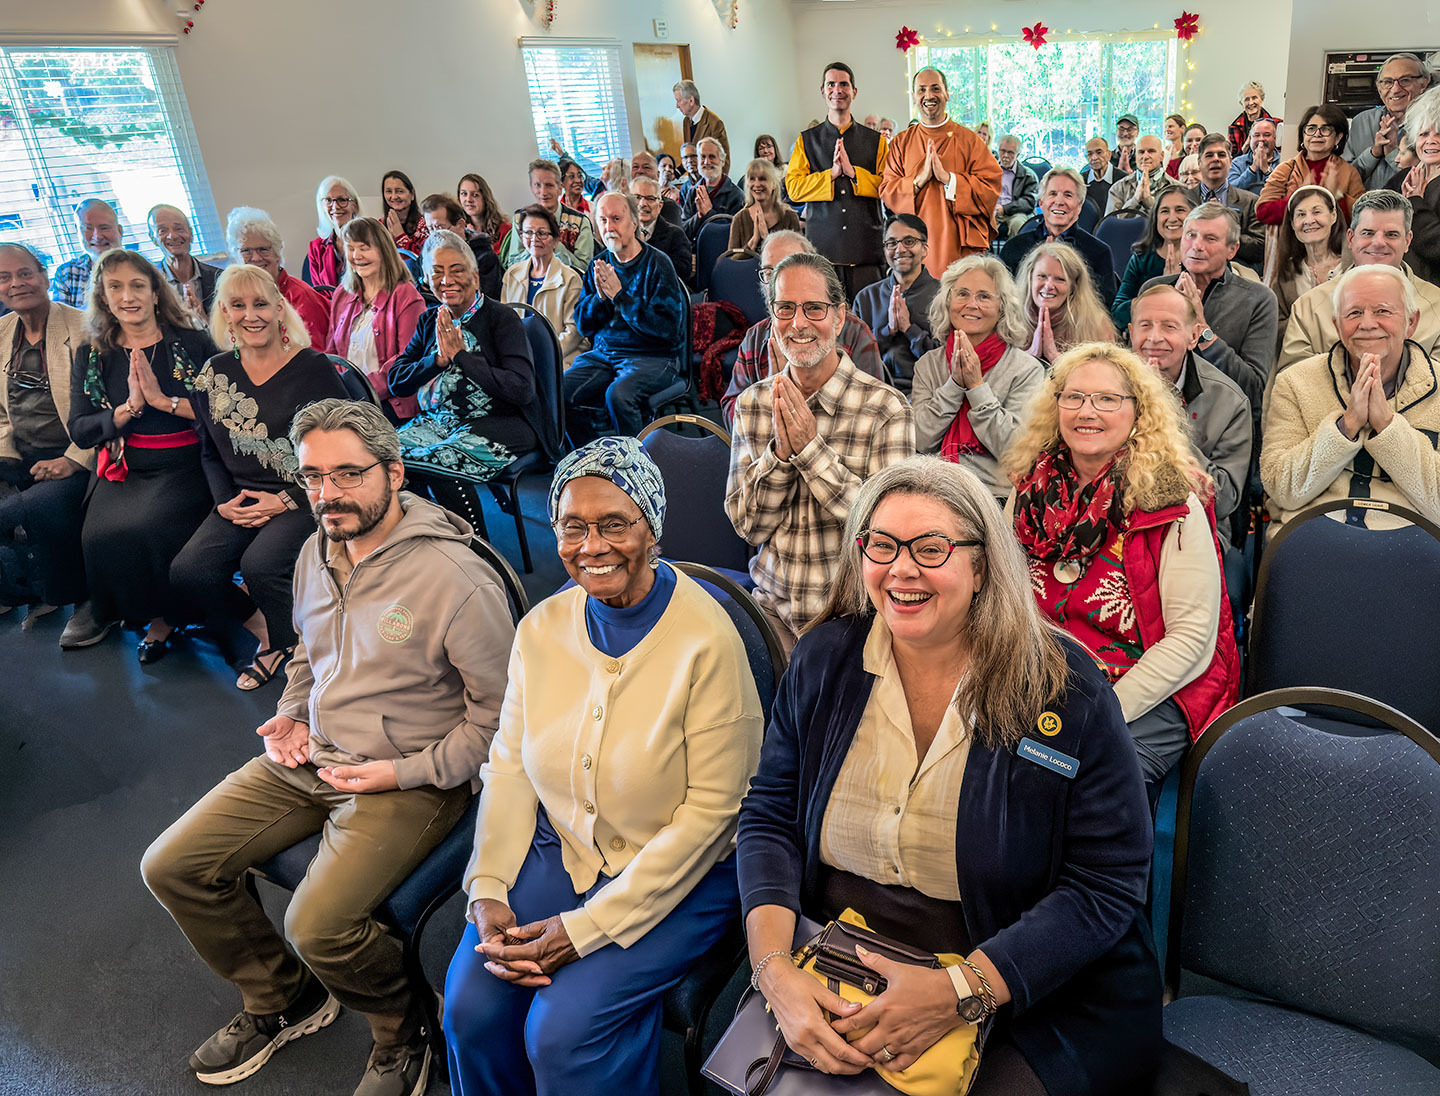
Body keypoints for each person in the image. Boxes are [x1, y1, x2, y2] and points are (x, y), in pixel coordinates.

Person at [737, 455, 1161, 1096]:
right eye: (881, 545)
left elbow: (1107, 883)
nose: (901, 569)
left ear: (982, 565)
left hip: (1025, 975)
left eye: (930, 549)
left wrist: (960, 990)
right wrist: (774, 971)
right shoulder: (825, 658)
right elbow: (769, 817)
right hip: (842, 949)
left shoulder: (1064, 689)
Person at [144, 398, 513, 1096]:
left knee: (316, 925)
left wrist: (402, 771)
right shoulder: (317, 548)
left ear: (395, 474)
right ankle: (285, 998)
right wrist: (292, 714)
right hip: (316, 754)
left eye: (348, 475)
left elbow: (499, 724)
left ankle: (406, 1030)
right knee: (171, 866)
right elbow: (311, 655)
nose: (327, 495)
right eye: (313, 477)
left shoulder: (457, 579)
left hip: (415, 775)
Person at [444, 436, 763, 1096]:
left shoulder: (707, 639)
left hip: (685, 873)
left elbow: (712, 815)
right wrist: (490, 886)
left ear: (652, 528)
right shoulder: (541, 629)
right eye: (572, 527)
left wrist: (586, 929)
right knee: (471, 1008)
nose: (592, 546)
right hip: (562, 847)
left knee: (561, 1034)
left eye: (615, 524)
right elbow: (508, 766)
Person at [1007, 343, 1239, 790]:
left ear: (1138, 412)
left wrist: (1099, 712)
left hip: (1146, 685)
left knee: (1083, 780)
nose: (1086, 411)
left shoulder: (1170, 501)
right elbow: (1003, 600)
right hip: (1043, 676)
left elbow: (1191, 641)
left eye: (1107, 399)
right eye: (1073, 397)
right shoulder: (1028, 491)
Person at [172, 264, 350, 689]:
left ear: (279, 309)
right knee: (189, 570)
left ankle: (297, 660)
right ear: (225, 314)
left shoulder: (312, 368)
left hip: (307, 493)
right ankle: (269, 630)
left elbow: (347, 446)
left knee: (261, 564)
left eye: (260, 304)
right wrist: (222, 501)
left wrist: (289, 498)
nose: (251, 315)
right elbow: (209, 451)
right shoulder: (212, 375)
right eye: (238, 305)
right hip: (242, 498)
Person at [725, 251, 914, 652]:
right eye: (785, 309)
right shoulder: (754, 403)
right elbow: (748, 527)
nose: (798, 324)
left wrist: (811, 452)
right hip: (770, 615)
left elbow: (885, 535)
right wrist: (779, 455)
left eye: (814, 308)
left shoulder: (886, 408)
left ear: (839, 317)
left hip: (852, 620)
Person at [65, 249, 216, 654]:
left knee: (147, 527)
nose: (127, 296)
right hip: (127, 467)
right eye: (115, 287)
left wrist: (161, 399)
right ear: (103, 297)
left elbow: (224, 410)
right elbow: (80, 429)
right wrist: (129, 408)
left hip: (188, 463)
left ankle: (171, 617)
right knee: (98, 534)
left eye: (137, 285)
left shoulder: (191, 342)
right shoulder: (94, 354)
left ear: (154, 293)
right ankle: (146, 612)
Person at [1262, 264, 1440, 530]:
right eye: (1354, 313)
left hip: (1412, 542)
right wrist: (1346, 426)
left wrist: (1387, 426)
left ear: (1411, 322)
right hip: (1314, 536)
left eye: (1383, 311)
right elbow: (1281, 488)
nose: (1367, 324)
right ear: (1336, 325)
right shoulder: (1295, 381)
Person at [389, 229, 545, 502]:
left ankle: (474, 543)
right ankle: (426, 534)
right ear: (426, 280)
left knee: (441, 464)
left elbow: (522, 390)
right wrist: (437, 360)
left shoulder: (501, 318)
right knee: (383, 456)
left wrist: (461, 356)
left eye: (456, 270)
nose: (446, 280)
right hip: (440, 422)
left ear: (475, 277)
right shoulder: (430, 321)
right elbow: (397, 381)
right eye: (436, 272)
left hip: (501, 423)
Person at [0, 244, 93, 620]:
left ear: (43, 276)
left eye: (25, 273)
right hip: (22, 452)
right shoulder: (1, 334)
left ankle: (81, 599)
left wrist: (72, 460)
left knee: (40, 506)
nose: (16, 283)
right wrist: (6, 453)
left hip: (77, 454)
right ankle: (22, 590)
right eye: (4, 278)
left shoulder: (84, 328)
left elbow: (105, 410)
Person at [911, 255, 1044, 498]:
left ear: (1002, 307)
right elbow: (920, 440)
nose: (971, 304)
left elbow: (1016, 448)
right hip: (934, 490)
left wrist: (976, 387)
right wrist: (954, 385)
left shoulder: (1027, 370)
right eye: (962, 294)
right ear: (948, 302)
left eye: (984, 296)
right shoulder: (928, 365)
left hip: (995, 495)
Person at [721, 231, 885, 425]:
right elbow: (732, 412)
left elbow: (874, 409)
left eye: (790, 267)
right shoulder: (755, 337)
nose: (778, 281)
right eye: (769, 272)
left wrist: (795, 395)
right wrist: (772, 390)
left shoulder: (854, 333)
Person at [565, 193, 687, 443]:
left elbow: (667, 330)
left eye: (616, 218)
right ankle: (591, 457)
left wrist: (620, 297)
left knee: (618, 394)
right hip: (605, 355)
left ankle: (636, 467)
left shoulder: (658, 264)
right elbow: (584, 325)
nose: (609, 227)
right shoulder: (598, 264)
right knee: (560, 392)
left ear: (634, 222)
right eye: (602, 220)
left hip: (653, 356)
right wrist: (600, 299)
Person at [1129, 284, 1254, 528]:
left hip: (1192, 524)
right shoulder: (1107, 386)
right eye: (1145, 326)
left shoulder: (1229, 402)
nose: (1154, 337)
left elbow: (1224, 500)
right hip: (1120, 519)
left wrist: (1162, 416)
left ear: (1194, 337)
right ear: (1131, 333)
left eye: (1169, 326)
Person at [1277, 191, 1440, 376]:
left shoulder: (1438, 305)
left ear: (1407, 241)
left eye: (1391, 234)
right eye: (1368, 233)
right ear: (1351, 238)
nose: (1378, 243)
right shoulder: (1308, 307)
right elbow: (1292, 385)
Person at [1140, 202, 1279, 415]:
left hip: (1226, 418)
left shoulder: (1258, 299)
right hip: (1158, 410)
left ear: (1232, 250)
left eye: (1210, 238)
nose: (1197, 245)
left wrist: (1202, 329)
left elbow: (1253, 388)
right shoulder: (1155, 289)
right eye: (1190, 235)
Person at [880, 68, 1000, 277]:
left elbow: (990, 186)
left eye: (935, 88)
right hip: (912, 245)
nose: (928, 96)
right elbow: (887, 190)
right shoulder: (901, 142)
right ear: (915, 96)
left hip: (958, 246)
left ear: (947, 94)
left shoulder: (969, 140)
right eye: (922, 90)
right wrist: (919, 181)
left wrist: (949, 180)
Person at [786, 61, 888, 298]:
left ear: (854, 91)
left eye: (844, 84)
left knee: (868, 323)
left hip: (866, 253)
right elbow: (793, 188)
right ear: (822, 91)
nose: (837, 90)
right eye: (831, 84)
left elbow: (888, 186)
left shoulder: (877, 141)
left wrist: (854, 174)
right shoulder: (806, 141)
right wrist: (830, 175)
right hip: (823, 253)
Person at [327, 217, 426, 422]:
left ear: (383, 251)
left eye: (364, 248)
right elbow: (332, 352)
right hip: (346, 400)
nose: (357, 256)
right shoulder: (342, 295)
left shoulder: (406, 296)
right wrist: (339, 388)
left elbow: (408, 360)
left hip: (391, 403)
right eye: (351, 248)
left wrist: (358, 389)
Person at [849, 213, 941, 393]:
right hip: (874, 390)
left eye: (909, 241)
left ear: (925, 249)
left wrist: (909, 329)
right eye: (891, 243)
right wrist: (887, 330)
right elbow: (853, 356)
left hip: (929, 392)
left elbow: (946, 359)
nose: (899, 249)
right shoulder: (866, 297)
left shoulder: (942, 295)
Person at [1000, 168, 1116, 304]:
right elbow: (1003, 301)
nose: (1059, 201)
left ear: (1079, 206)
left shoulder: (1098, 252)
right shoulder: (1013, 248)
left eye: (1068, 195)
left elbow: (1103, 308)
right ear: (1041, 203)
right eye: (1053, 194)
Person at [226, 206, 331, 351]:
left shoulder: (300, 298)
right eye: (246, 251)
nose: (256, 258)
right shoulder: (240, 300)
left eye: (263, 249)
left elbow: (316, 359)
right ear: (236, 256)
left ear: (277, 253)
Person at [500, 205, 584, 367]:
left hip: (559, 356)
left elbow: (574, 332)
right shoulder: (512, 275)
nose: (534, 238)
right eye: (528, 232)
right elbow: (504, 323)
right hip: (519, 357)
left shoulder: (570, 279)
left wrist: (542, 354)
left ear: (555, 240)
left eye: (542, 233)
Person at [1256, 105, 1365, 228]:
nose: (1317, 134)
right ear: (1303, 135)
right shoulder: (1286, 169)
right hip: (1291, 244)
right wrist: (1302, 196)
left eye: (1325, 129)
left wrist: (1337, 197)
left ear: (1338, 138)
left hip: (1333, 245)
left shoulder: (1349, 173)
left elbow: (1361, 218)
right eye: (1311, 128)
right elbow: (1262, 212)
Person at [1266, 185, 1347, 347]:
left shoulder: (1352, 267)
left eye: (1317, 212)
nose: (1309, 221)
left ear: (1333, 216)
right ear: (1292, 223)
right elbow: (1275, 326)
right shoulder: (1287, 273)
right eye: (1301, 214)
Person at [1015, 241, 1116, 364]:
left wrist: (1055, 357)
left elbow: (1105, 376)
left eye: (1060, 279)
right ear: (1029, 279)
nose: (1049, 285)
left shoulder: (1097, 325)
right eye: (1042, 276)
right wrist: (1030, 357)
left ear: (1073, 287)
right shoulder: (1007, 320)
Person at [1113, 186, 1198, 328]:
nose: (1172, 218)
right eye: (1164, 211)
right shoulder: (1141, 259)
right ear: (1156, 218)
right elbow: (1118, 313)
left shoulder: (1205, 257)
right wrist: (1160, 289)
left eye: (1180, 210)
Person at [1345, 53, 1433, 190]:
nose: (1396, 89)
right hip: (1364, 209)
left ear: (1424, 82)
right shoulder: (1361, 121)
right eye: (1387, 82)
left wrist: (1392, 151)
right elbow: (1344, 180)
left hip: (1414, 209)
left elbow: (1430, 181)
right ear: (1379, 88)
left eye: (1405, 80)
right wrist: (1373, 153)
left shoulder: (1434, 124)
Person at [1185, 133, 1265, 267]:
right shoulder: (1184, 200)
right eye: (1209, 155)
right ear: (1199, 163)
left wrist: (1225, 233)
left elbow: (1260, 248)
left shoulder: (1250, 201)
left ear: (1231, 162)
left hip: (1236, 273)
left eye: (1221, 155)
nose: (1216, 159)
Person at [500, 159, 594, 273]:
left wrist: (555, 246)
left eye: (549, 185)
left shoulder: (580, 222)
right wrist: (534, 246)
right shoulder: (520, 219)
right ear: (531, 187)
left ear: (560, 189)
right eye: (537, 185)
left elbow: (585, 269)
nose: (543, 192)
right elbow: (513, 265)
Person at [421, 194, 502, 300]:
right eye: (430, 229)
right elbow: (419, 298)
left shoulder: (484, 257)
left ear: (460, 225)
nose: (434, 235)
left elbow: (486, 300)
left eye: (439, 228)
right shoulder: (428, 254)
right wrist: (424, 283)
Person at [148, 204, 219, 321]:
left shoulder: (219, 278)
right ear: (153, 238)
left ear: (191, 234)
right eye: (162, 231)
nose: (173, 236)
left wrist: (204, 319)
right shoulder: (150, 285)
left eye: (178, 228)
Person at [49, 198, 123, 308]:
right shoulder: (66, 273)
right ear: (77, 231)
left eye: (104, 228)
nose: (97, 236)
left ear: (120, 231)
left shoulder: (140, 268)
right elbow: (61, 321)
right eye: (88, 228)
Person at [1402, 86, 1440, 282]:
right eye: (1424, 134)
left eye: (1439, 134)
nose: (1431, 141)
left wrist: (1416, 202)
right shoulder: (1402, 179)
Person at [728, 158, 802, 255]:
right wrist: (753, 242)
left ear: (774, 184)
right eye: (752, 179)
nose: (757, 184)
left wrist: (767, 239)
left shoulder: (790, 217)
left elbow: (798, 258)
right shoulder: (739, 219)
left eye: (762, 179)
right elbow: (731, 262)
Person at [631, 176, 692, 288]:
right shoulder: (622, 235)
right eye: (637, 197)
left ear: (660, 206)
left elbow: (681, 276)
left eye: (650, 198)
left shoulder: (675, 235)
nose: (643, 203)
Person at [681, 137, 745, 243]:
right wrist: (699, 216)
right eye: (702, 157)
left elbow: (737, 235)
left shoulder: (737, 195)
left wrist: (709, 214)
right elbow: (683, 233)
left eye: (712, 157)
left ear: (722, 161)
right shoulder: (693, 192)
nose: (707, 162)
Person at [305, 176, 361, 290]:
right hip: (329, 307)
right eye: (328, 201)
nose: (335, 206)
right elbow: (319, 294)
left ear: (354, 205)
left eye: (342, 200)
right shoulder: (316, 248)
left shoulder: (371, 242)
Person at [1105, 135, 1168, 217]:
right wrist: (1135, 201)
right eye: (1141, 152)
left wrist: (1149, 203)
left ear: (1162, 156)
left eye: (1151, 151)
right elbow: (1110, 225)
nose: (1145, 157)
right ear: (1135, 156)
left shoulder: (1175, 188)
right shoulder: (1118, 188)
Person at [992, 135, 1039, 239]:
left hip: (1016, 213)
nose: (1005, 155)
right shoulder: (990, 171)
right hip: (993, 210)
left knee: (1018, 224)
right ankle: (980, 254)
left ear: (1017, 155)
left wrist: (1005, 209)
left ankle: (1015, 255)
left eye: (1010, 152)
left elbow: (1029, 202)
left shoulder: (1028, 175)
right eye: (1002, 151)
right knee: (977, 222)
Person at [674, 78, 730, 164]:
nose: (677, 106)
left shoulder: (714, 123)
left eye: (679, 100)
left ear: (691, 101)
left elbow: (724, 161)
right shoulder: (686, 121)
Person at [458, 173, 511, 257]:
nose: (468, 199)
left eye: (475, 195)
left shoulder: (505, 230)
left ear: (485, 198)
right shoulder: (457, 229)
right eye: (464, 194)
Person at [380, 170, 429, 256]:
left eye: (399, 191)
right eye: (388, 191)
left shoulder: (425, 225)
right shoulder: (379, 225)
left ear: (412, 194)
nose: (394, 196)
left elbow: (425, 259)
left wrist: (400, 236)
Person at [629, 150, 684, 226]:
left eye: (646, 167)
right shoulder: (624, 204)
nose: (640, 171)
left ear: (657, 175)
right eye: (635, 167)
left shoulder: (669, 206)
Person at [1228, 80, 1281, 159]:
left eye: (1254, 98)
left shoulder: (1277, 124)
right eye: (1246, 99)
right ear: (1241, 103)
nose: (1251, 103)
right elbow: (1230, 161)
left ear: (1262, 99)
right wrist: (1246, 145)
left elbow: (1281, 157)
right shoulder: (1234, 128)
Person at [1228, 118, 1279, 195]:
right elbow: (1230, 191)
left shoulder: (1284, 162)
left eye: (1267, 135)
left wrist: (1267, 171)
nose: (1261, 139)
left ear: (1275, 138)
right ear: (1250, 139)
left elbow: (1283, 191)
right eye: (1257, 135)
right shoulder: (1237, 163)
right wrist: (1253, 169)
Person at [1082, 136, 1118, 215]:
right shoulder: (1081, 180)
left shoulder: (1123, 179)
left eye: (1099, 152)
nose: (1094, 158)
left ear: (1109, 155)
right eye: (1090, 154)